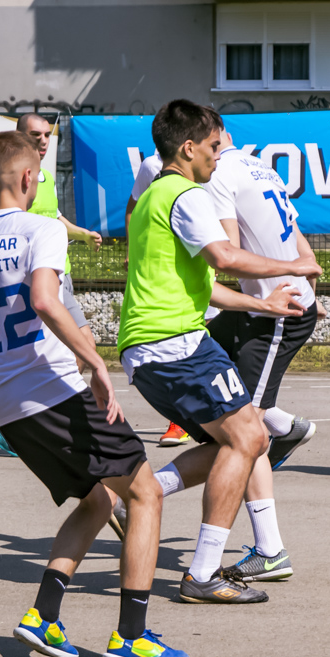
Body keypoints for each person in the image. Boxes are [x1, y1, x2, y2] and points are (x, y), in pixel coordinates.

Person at [0, 130, 187, 657]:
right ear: (28, 178)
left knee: (98, 499)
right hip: (55, 390)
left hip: (7, 406)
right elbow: (45, 300)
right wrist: (94, 362)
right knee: (145, 494)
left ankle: (43, 617)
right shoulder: (42, 228)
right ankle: (132, 636)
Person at [120, 100, 318, 604]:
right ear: (188, 148)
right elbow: (225, 256)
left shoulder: (150, 199)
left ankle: (145, 491)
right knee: (250, 435)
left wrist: (268, 304)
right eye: (212, 146)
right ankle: (204, 573)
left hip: (147, 350)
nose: (218, 154)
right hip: (178, 344)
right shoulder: (186, 197)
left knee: (228, 444)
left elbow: (204, 285)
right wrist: (291, 266)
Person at [0, 112, 102, 457]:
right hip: (38, 280)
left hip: (60, 273)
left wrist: (80, 233)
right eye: (35, 135)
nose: (44, 141)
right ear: (19, 138)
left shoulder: (44, 178)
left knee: (81, 351)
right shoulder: (3, 186)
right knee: (81, 349)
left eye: (48, 135)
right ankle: (49, 427)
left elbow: (54, 217)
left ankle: (29, 426)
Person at [128, 150, 191, 449]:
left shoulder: (213, 166)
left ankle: (266, 418)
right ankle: (179, 421)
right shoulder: (151, 166)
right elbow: (133, 205)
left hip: (201, 259)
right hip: (167, 266)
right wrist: (131, 248)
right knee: (180, 341)